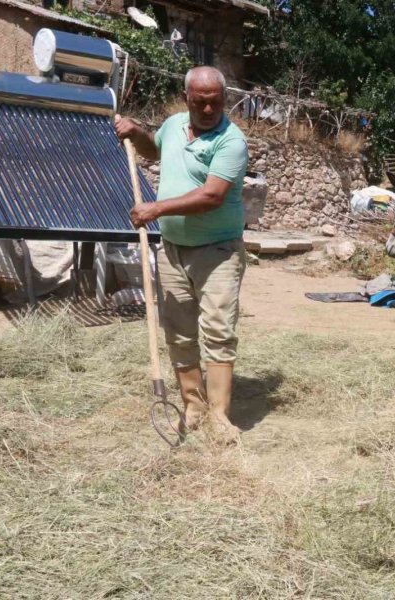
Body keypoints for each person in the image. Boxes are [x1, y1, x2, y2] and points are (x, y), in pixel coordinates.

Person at [115, 66, 248, 442]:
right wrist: (138, 133)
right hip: (172, 251)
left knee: (218, 331)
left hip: (218, 252)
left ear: (225, 100)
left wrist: (156, 210)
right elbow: (155, 151)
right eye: (200, 102)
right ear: (187, 98)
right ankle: (193, 406)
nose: (208, 110)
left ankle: (219, 416)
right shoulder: (174, 124)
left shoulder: (231, 141)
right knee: (178, 331)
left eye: (216, 103)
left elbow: (212, 196)